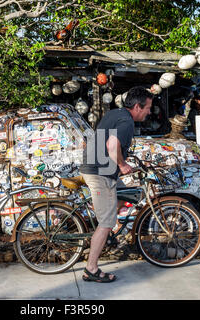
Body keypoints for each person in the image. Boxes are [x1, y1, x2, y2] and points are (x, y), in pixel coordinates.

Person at [79, 86, 153, 283]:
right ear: (137, 106)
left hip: (100, 168)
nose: (149, 112)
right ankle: (91, 269)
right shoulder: (127, 122)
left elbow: (109, 142)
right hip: (99, 172)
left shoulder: (116, 113)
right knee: (106, 223)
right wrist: (122, 164)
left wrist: (127, 160)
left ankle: (109, 227)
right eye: (147, 108)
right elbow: (112, 145)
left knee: (126, 193)